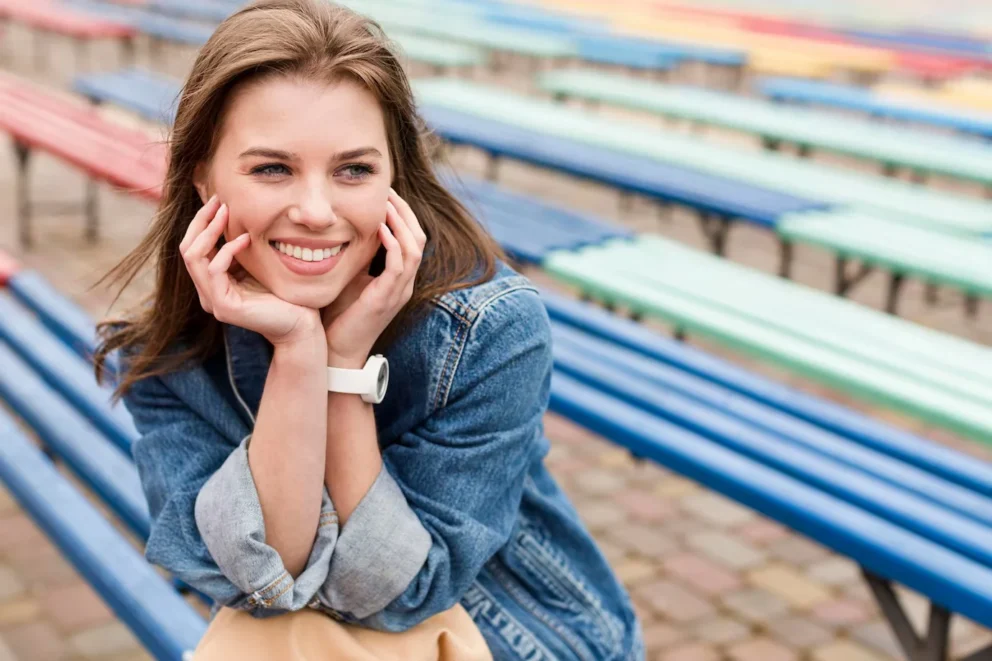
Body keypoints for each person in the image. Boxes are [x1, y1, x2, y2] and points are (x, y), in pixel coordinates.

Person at [95, 0, 643, 658]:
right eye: (272, 168)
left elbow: (406, 589)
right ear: (203, 178)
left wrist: (346, 366)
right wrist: (301, 352)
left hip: (516, 629)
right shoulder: (169, 362)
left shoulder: (488, 330)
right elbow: (264, 580)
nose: (316, 211)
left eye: (353, 169)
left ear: (396, 181)